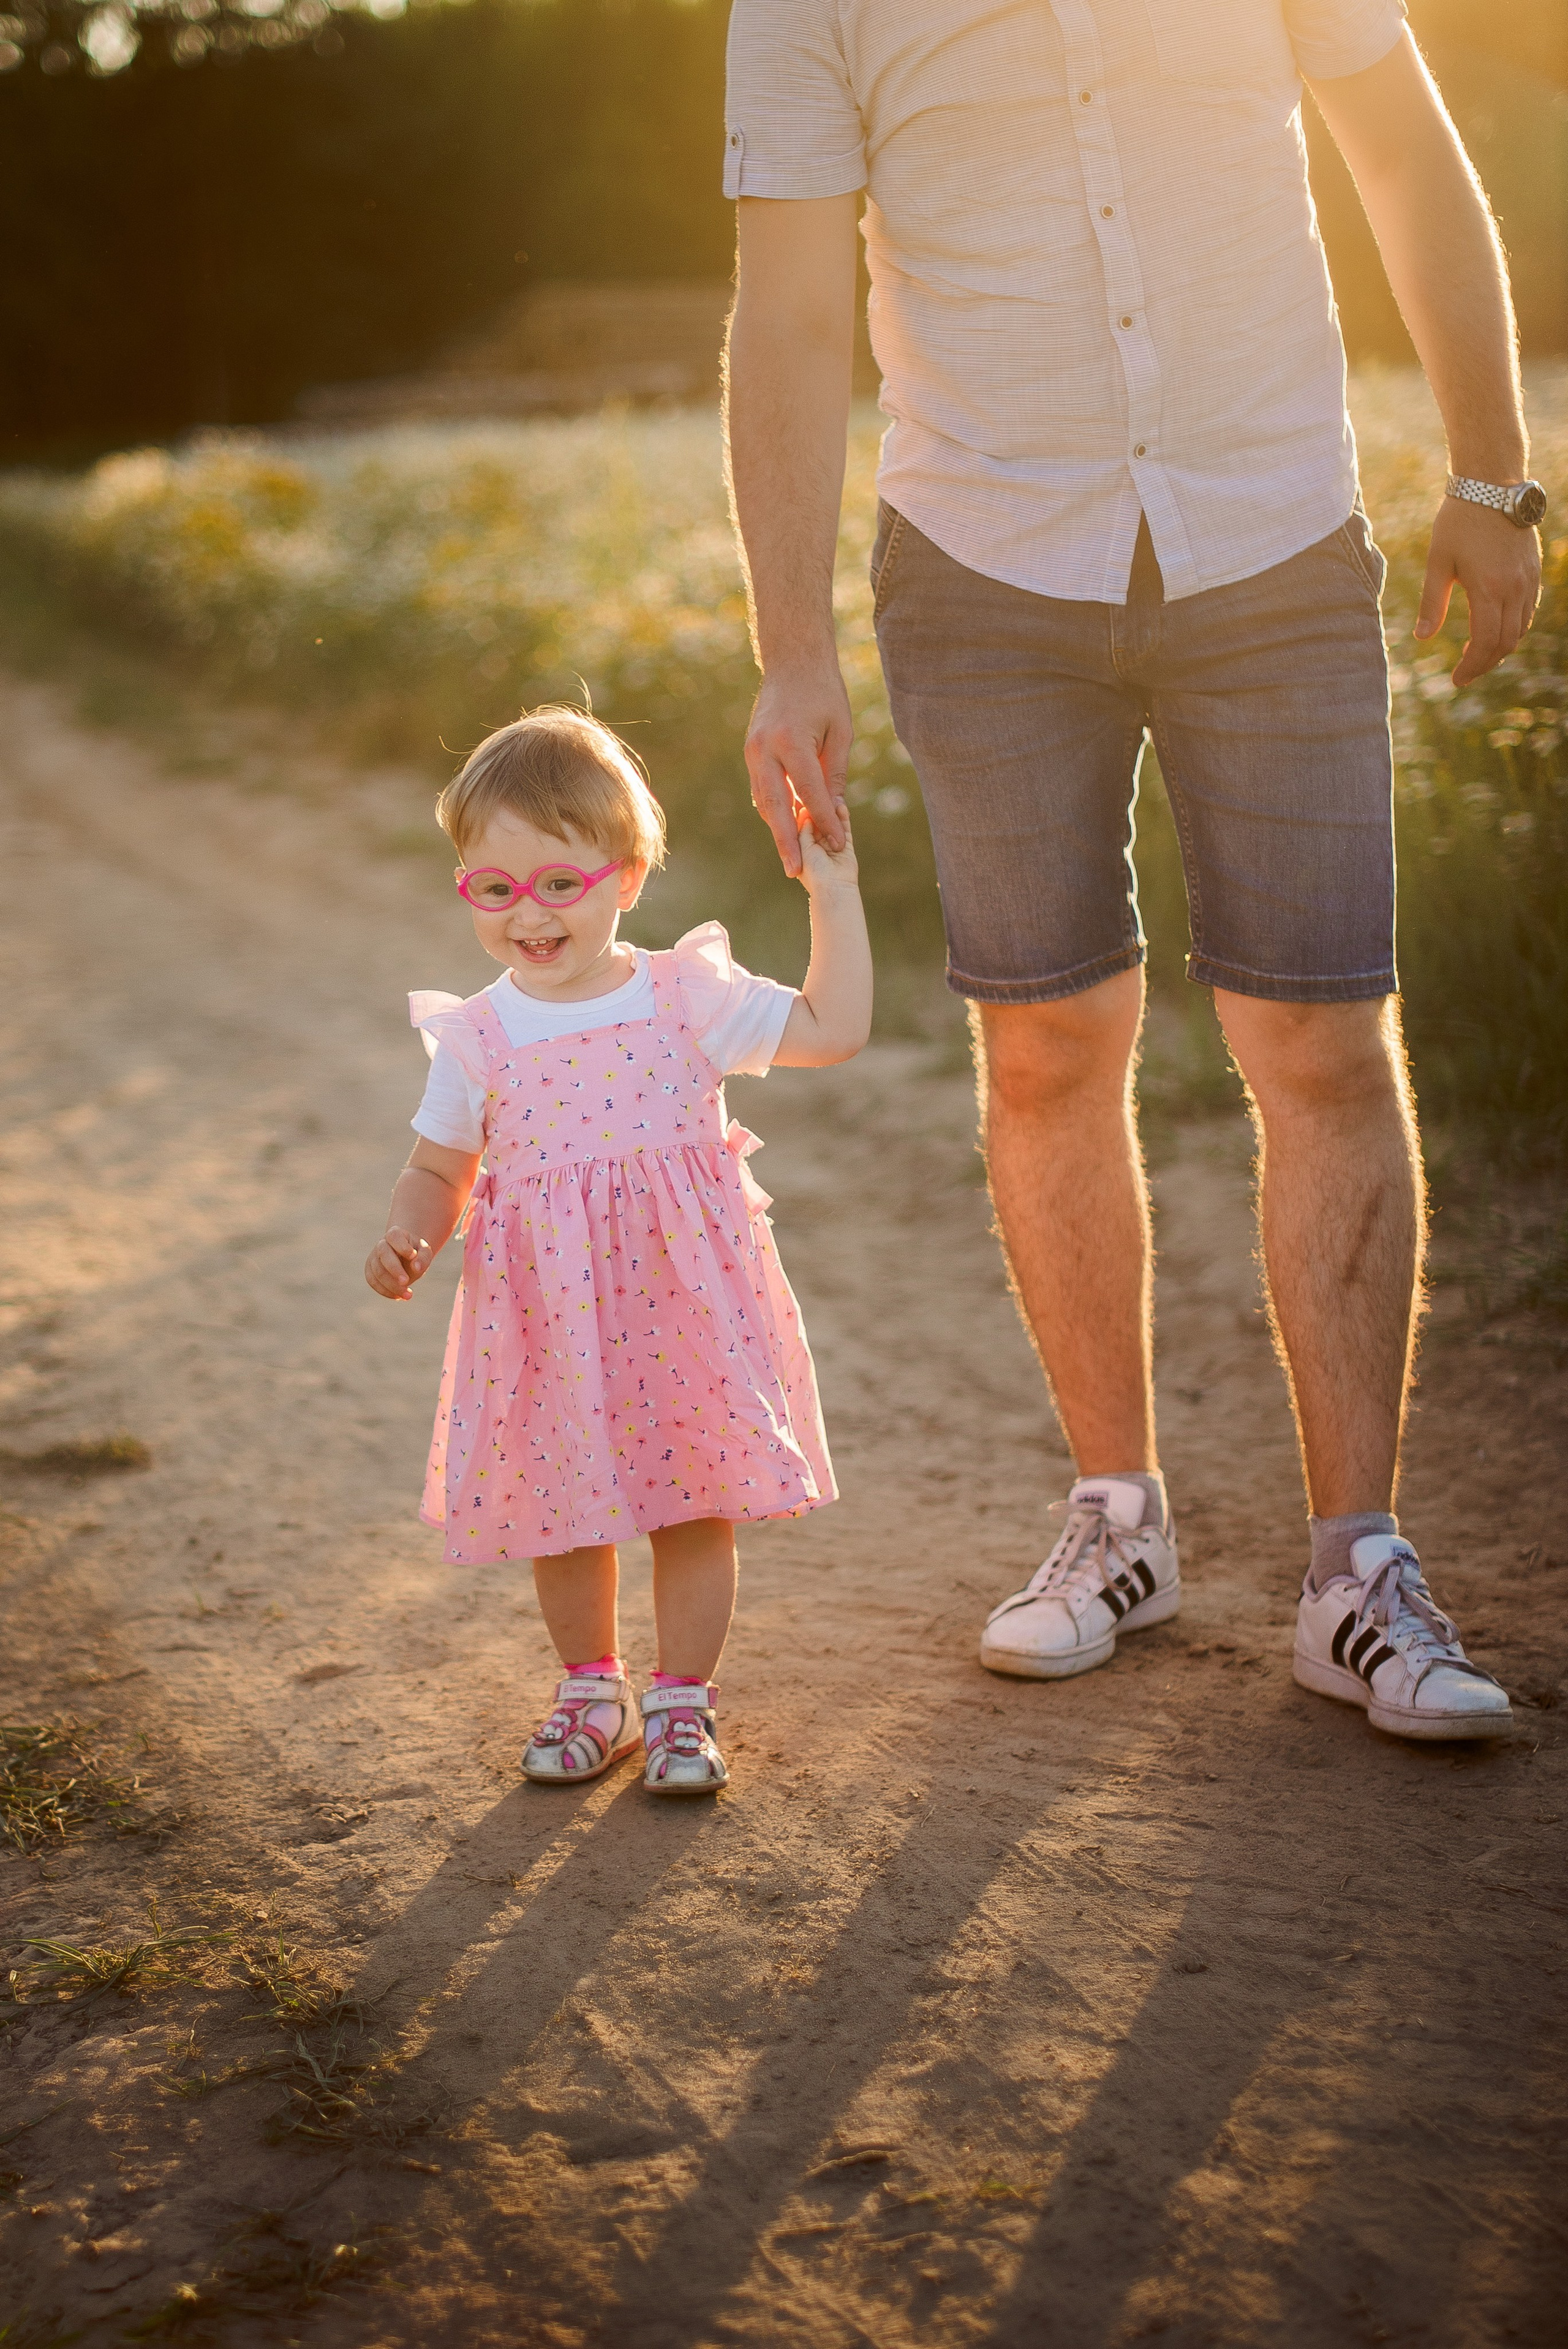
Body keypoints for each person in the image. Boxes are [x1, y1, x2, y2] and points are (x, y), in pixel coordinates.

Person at [722, 4, 1543, 1740]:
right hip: (984, 566)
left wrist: (1492, 473)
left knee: (1322, 1039)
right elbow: (788, 305)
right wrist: (790, 644)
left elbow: (1405, 150)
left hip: (1275, 542)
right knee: (1045, 1041)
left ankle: (1358, 1573)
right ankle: (1120, 1524)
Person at [364, 706, 872, 1793]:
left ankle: (684, 1703)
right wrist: (410, 1231)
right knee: (566, 1509)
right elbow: (439, 1167)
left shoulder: (686, 997)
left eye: (560, 882)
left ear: (627, 876)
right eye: (493, 889)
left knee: (692, 1504)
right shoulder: (479, 1035)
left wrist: (834, 891)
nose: (528, 914)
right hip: (550, 1317)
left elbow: (835, 1027)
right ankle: (591, 1688)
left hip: (683, 1312)